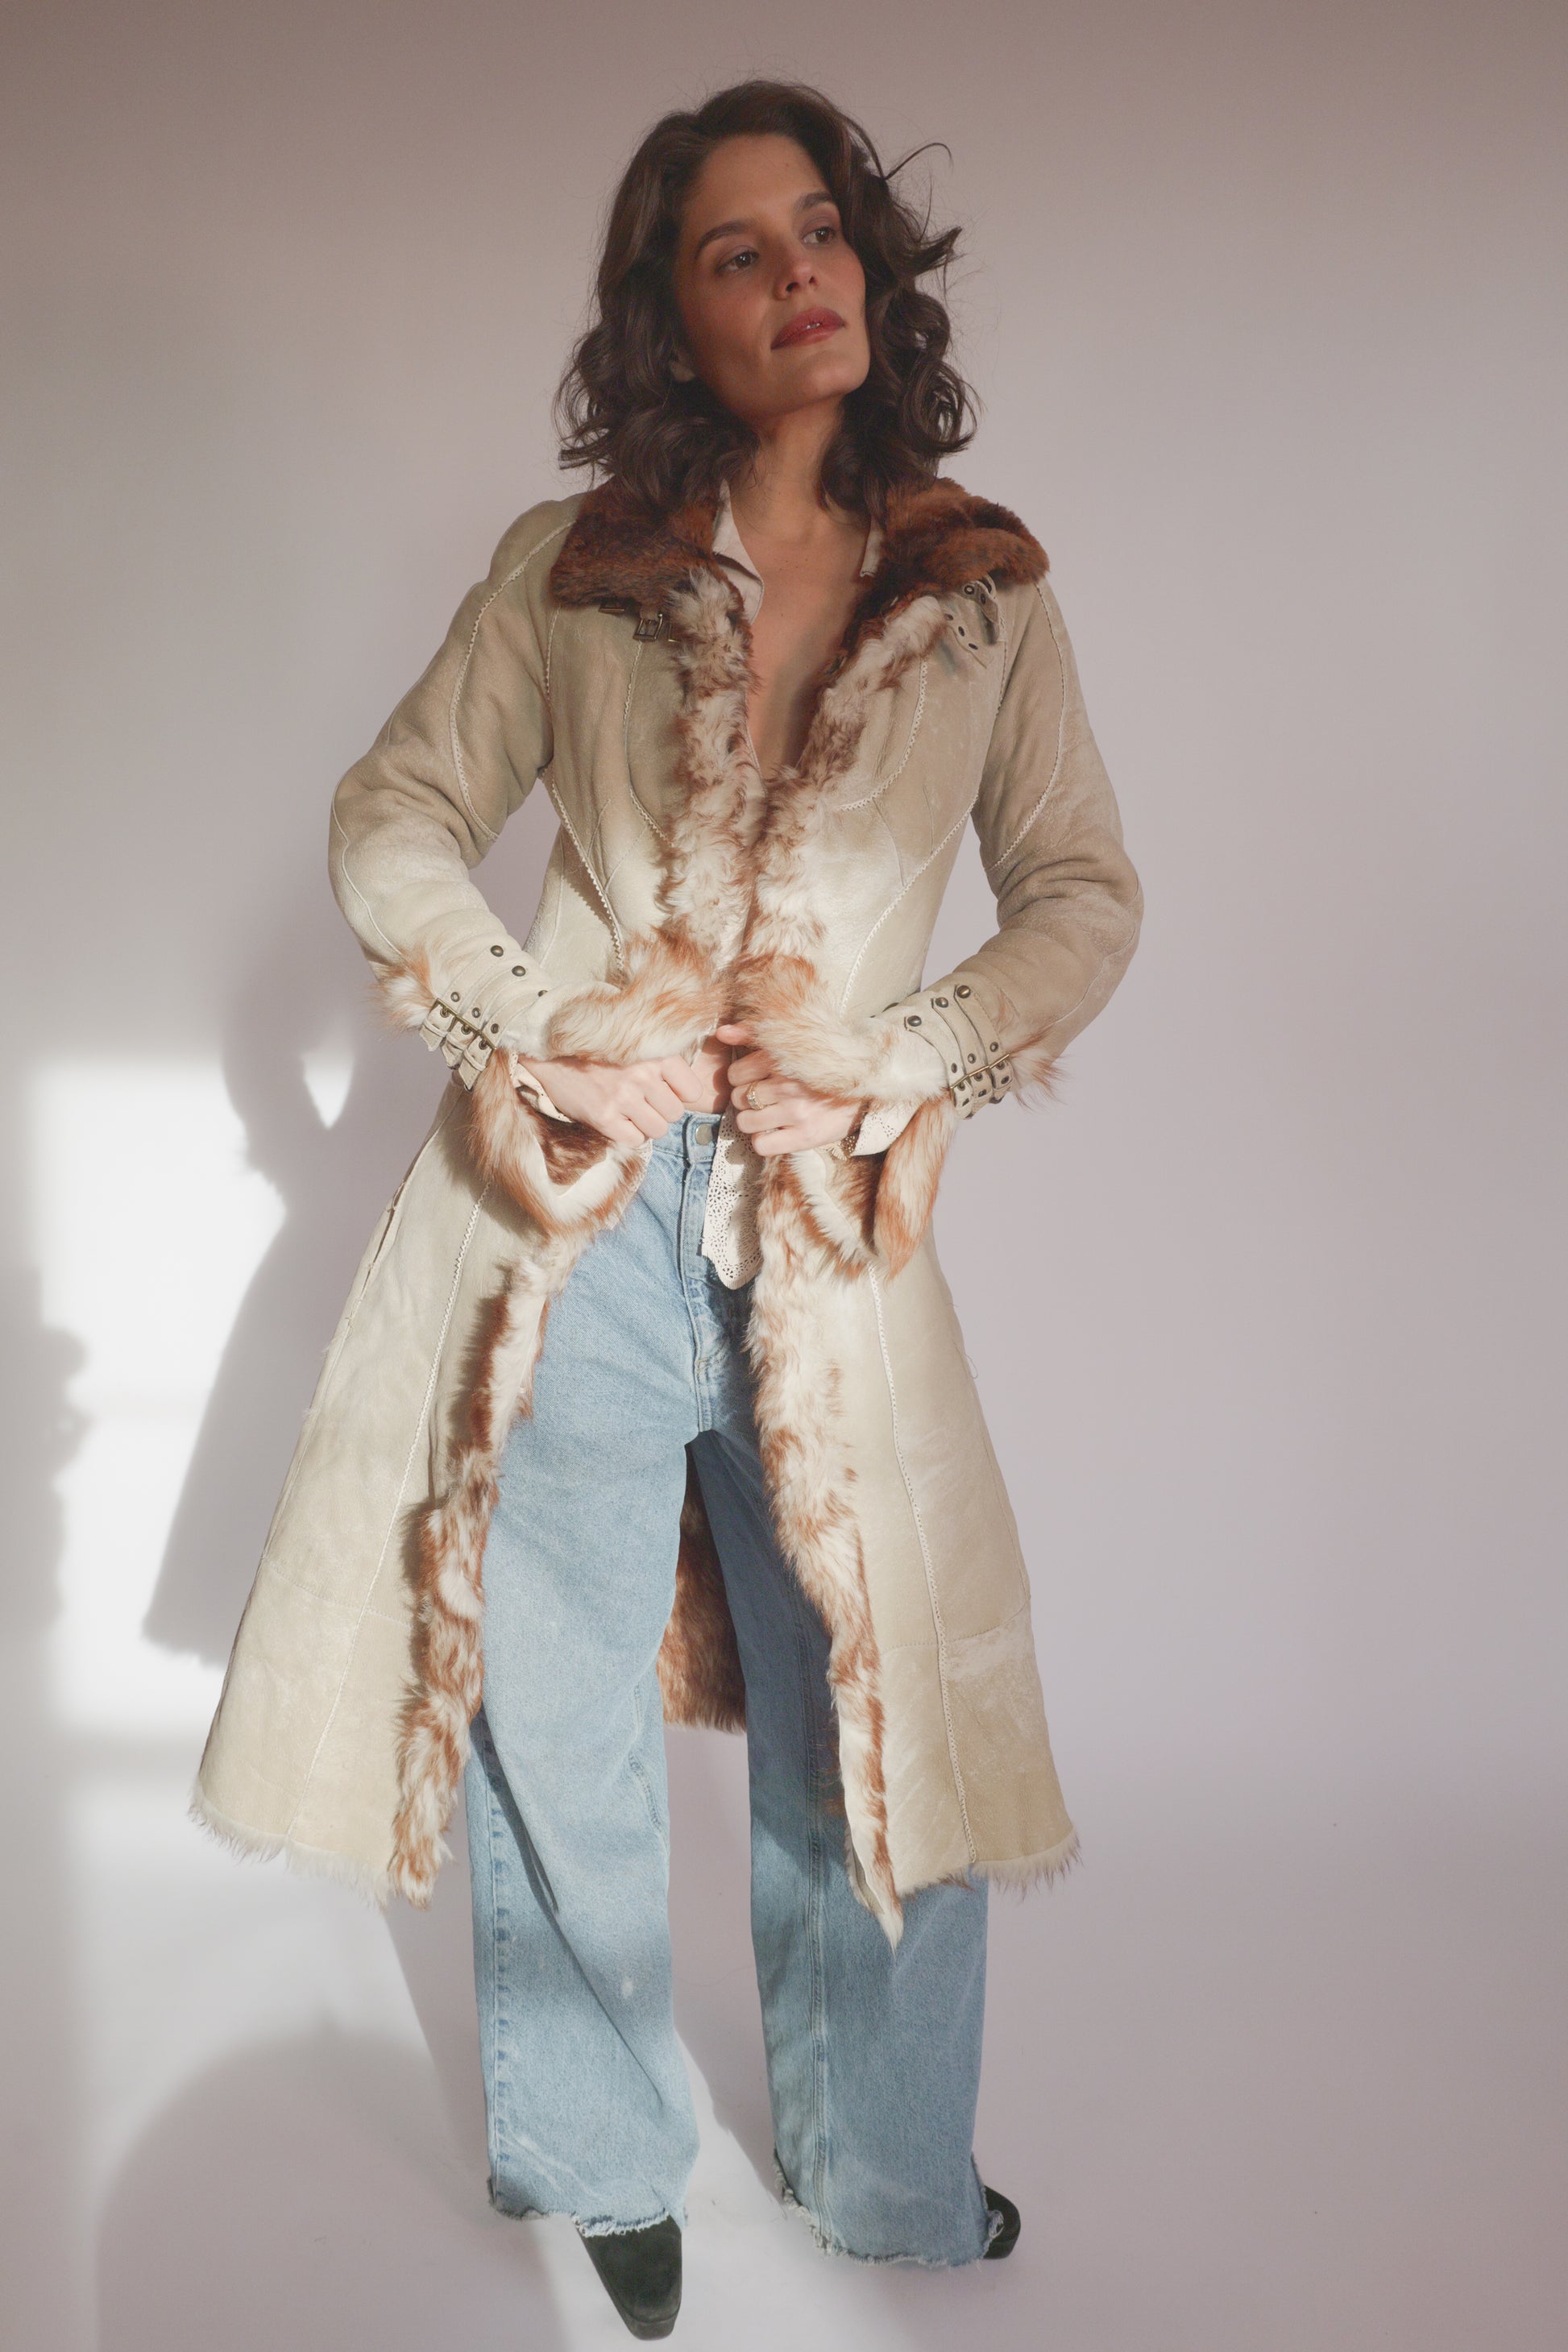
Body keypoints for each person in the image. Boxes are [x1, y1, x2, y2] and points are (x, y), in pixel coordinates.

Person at [193, 77, 1143, 2340]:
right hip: (578, 1228)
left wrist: (908, 1060)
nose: (801, 271)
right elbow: (395, 812)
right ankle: (599, 2155)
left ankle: (888, 2171)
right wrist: (532, 1034)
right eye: (738, 250)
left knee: (875, 1707)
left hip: (833, 1226)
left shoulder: (981, 588)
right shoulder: (577, 570)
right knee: (556, 1701)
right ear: (673, 318)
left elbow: (1082, 892)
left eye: (821, 227)